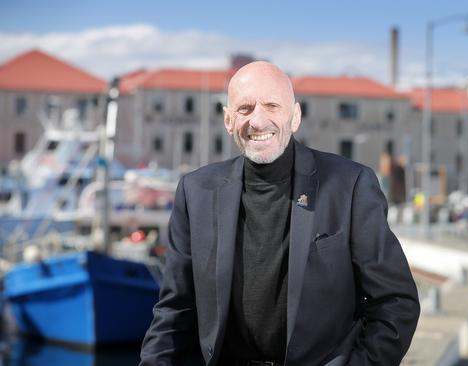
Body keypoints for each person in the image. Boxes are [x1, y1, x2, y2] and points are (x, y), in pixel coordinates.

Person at [140, 61, 420, 366]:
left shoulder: (349, 185)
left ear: (295, 116)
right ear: (228, 120)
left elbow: (395, 302)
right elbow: (174, 311)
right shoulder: (195, 191)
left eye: (272, 105)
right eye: (245, 108)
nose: (258, 121)